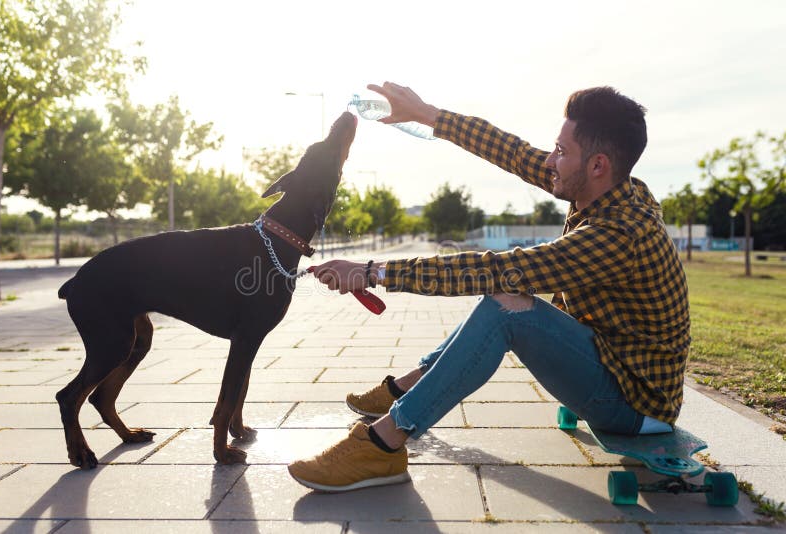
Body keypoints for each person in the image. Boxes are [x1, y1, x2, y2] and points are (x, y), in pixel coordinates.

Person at [287, 81, 690, 493]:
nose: (550, 160)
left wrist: (372, 271)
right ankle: (404, 389)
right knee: (504, 294)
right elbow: (510, 151)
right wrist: (428, 114)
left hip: (632, 401)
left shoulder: (619, 235)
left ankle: (384, 444)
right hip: (610, 359)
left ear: (598, 165)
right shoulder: (610, 188)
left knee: (503, 304)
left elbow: (499, 269)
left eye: (561, 152)